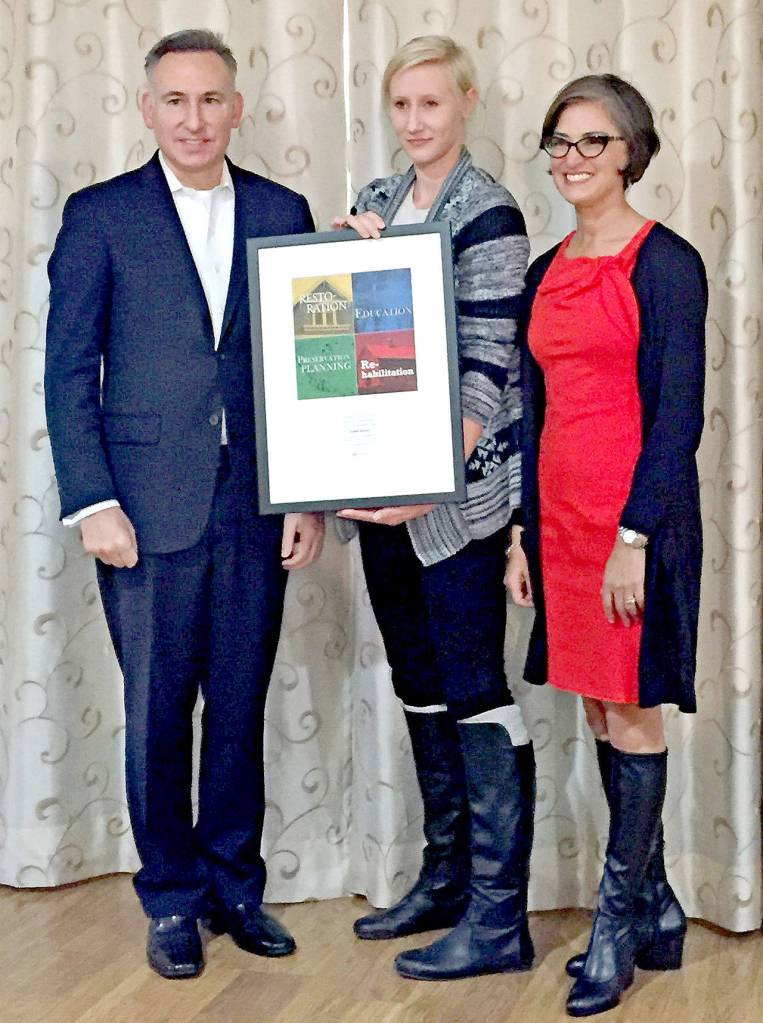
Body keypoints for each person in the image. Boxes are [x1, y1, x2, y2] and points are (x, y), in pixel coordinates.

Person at [44, 29, 324, 980]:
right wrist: (92, 500)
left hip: (256, 503)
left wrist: (309, 495)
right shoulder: (100, 215)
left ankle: (234, 886)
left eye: (210, 99)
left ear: (237, 106)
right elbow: (67, 370)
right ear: (148, 107)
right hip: (142, 507)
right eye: (175, 100)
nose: (194, 118)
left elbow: (305, 369)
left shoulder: (285, 210)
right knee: (158, 710)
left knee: (239, 705)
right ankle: (169, 894)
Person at [333, 35, 534, 981]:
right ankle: (445, 877)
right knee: (416, 679)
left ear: (465, 103)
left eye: (431, 104)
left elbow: (489, 370)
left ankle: (499, 916)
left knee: (473, 686)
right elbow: (342, 344)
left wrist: (429, 477)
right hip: (378, 500)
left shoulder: (488, 211)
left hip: (453, 499)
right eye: (401, 105)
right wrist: (332, 269)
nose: (415, 122)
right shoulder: (372, 204)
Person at [506, 74, 706, 1017]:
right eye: (558, 142)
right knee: (594, 706)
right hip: (559, 523)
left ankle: (617, 920)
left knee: (630, 710)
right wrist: (519, 536)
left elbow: (676, 419)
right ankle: (656, 903)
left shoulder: (666, 263)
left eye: (591, 141)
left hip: (634, 521)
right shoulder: (546, 268)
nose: (571, 158)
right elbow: (533, 407)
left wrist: (636, 535)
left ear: (629, 149)